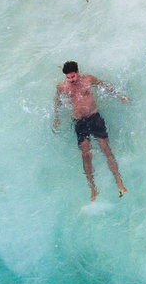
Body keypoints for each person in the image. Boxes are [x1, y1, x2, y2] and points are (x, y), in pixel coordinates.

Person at [52, 60, 130, 201]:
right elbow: (57, 101)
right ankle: (93, 189)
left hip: (94, 117)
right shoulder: (62, 86)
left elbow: (105, 86)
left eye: (73, 77)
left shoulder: (88, 79)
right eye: (68, 77)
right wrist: (56, 117)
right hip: (79, 121)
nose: (71, 80)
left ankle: (119, 182)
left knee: (106, 149)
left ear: (78, 72)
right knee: (85, 154)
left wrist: (120, 96)